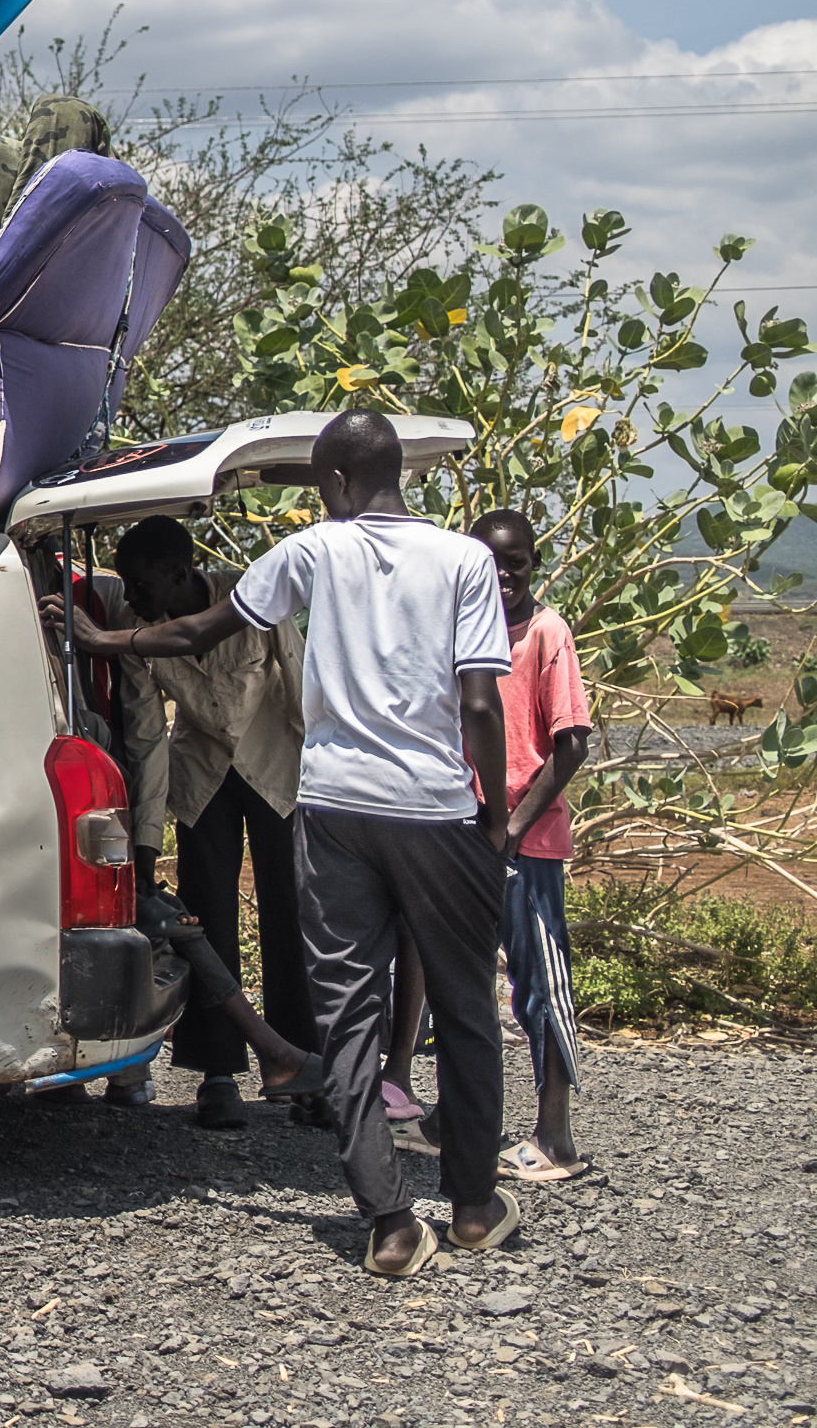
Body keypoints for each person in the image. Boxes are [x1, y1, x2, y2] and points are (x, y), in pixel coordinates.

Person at [45, 410, 517, 1278]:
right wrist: (494, 813)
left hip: (327, 802)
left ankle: (387, 1219)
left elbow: (200, 636)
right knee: (464, 1005)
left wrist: (105, 639)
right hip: (432, 810)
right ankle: (476, 1206)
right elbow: (482, 704)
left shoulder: (308, 554)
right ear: (396, 473)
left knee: (342, 1010)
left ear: (333, 483)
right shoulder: (465, 561)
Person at [93, 515, 323, 1130]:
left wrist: (326, 783)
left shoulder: (251, 594)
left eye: (141, 585)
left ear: (179, 574)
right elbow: (145, 738)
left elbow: (301, 685)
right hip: (202, 776)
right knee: (206, 918)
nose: (132, 598)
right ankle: (218, 1073)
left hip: (275, 764)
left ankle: (307, 1069)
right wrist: (146, 840)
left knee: (289, 916)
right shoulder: (134, 631)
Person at [475, 508, 592, 1184]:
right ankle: (463, 1118)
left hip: (529, 842)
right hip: (473, 834)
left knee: (541, 986)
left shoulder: (546, 633)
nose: (503, 572)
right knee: (463, 985)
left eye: (514, 560)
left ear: (534, 563)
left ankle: (556, 1135)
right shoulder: (472, 636)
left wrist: (513, 829)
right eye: (489, 561)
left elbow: (570, 743)